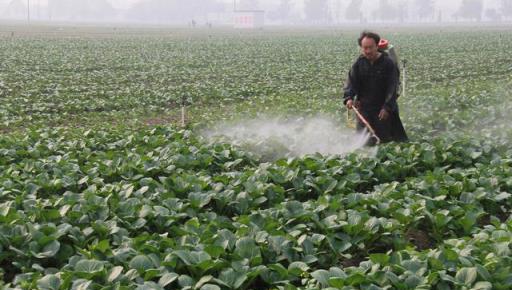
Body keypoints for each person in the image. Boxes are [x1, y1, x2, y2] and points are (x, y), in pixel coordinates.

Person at [343, 31, 408, 145]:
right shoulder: (359, 63)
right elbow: (351, 82)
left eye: (370, 47)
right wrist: (349, 97)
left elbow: (392, 88)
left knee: (387, 141)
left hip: (383, 110)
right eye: (365, 48)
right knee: (364, 142)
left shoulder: (388, 64)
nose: (367, 51)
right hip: (364, 108)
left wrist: (387, 107)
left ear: (377, 46)